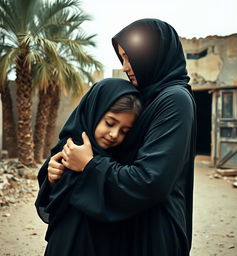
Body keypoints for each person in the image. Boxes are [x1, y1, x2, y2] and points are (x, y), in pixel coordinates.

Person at [39, 18, 197, 256]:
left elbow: (150, 179)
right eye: (121, 57)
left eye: (129, 56)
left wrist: (90, 165)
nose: (124, 66)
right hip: (128, 223)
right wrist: (58, 167)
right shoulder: (146, 96)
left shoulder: (174, 99)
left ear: (152, 53)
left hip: (154, 231)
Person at [35, 78, 141, 255]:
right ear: (95, 111)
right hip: (67, 243)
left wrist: (91, 167)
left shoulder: (123, 159)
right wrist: (53, 178)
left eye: (124, 131)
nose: (114, 134)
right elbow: (52, 201)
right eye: (110, 122)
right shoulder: (71, 147)